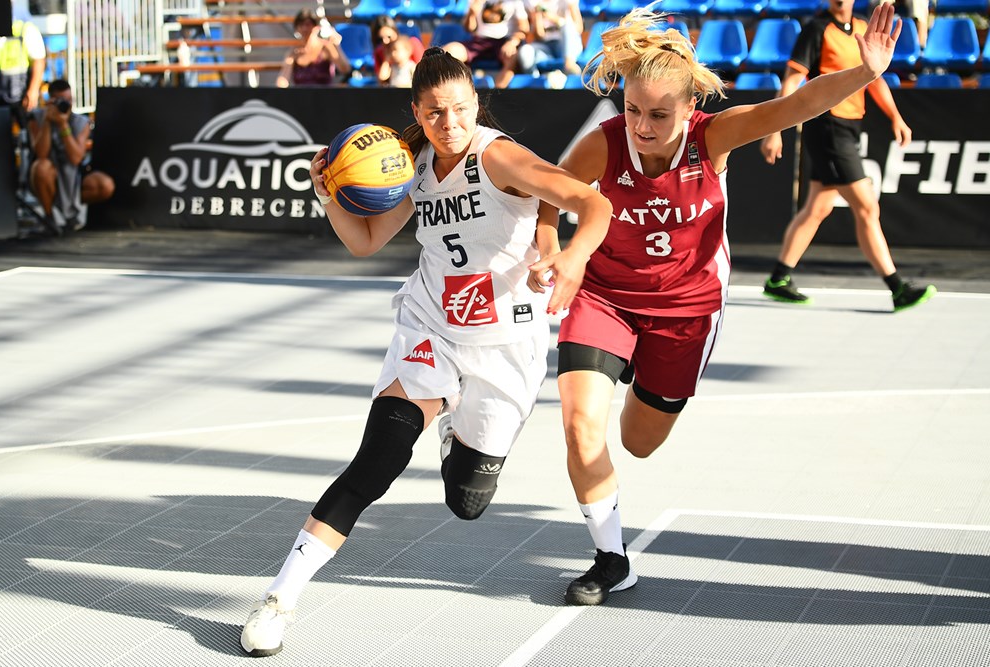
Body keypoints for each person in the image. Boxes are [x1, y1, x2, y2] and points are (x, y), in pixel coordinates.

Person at [239, 46, 612, 657]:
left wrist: (569, 257)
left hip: (504, 345)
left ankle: (457, 433)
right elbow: (364, 242)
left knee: (467, 501)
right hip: (431, 327)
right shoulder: (406, 163)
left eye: (461, 110)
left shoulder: (499, 156)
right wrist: (327, 189)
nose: (450, 124)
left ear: (475, 106)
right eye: (436, 113)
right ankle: (279, 601)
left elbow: (593, 203)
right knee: (378, 458)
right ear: (417, 109)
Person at [531, 3, 909, 606]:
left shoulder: (714, 136)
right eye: (632, 110)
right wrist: (553, 249)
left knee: (638, 443)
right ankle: (610, 557)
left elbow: (792, 107)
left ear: (689, 108)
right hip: (605, 298)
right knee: (580, 427)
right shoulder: (603, 147)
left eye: (658, 115)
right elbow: (547, 194)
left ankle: (634, 375)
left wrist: (863, 73)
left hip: (686, 310)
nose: (642, 127)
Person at [760, 0, 935, 312]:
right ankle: (897, 288)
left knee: (817, 207)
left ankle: (778, 279)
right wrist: (774, 129)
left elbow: (874, 76)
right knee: (867, 206)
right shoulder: (816, 29)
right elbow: (791, 80)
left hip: (851, 124)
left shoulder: (862, 28)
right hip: (827, 125)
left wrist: (895, 116)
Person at [27, 79, 114, 232]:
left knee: (105, 185)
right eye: (61, 101)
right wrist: (48, 121)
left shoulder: (81, 122)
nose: (66, 105)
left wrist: (63, 125)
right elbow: (41, 153)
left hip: (74, 177)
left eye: (68, 100)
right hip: (48, 179)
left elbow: (76, 158)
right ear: (51, 100)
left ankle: (71, 214)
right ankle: (50, 218)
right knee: (41, 167)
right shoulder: (37, 118)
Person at [443, 0, 530, 88]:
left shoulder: (515, 2)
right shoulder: (475, 1)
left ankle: (498, 93)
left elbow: (524, 28)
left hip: (504, 42)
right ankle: (462, 90)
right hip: (478, 41)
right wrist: (471, 13)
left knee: (512, 56)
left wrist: (513, 42)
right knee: (448, 52)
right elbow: (469, 28)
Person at [0, 0, 46, 114]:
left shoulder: (25, 29)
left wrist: (33, 90)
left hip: (20, 94)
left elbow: (39, 60)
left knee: (24, 129)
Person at [276, 9, 351, 88]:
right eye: (301, 25)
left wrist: (336, 45)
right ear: (297, 28)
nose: (305, 28)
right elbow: (283, 78)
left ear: (316, 27)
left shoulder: (325, 47)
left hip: (324, 96)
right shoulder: (294, 52)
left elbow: (345, 69)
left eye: (308, 24)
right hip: (301, 96)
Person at [518, 0, 583, 76]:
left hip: (568, 46)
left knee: (567, 27)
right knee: (525, 51)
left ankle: (570, 70)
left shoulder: (568, 2)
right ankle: (536, 81)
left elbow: (579, 28)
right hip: (546, 48)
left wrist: (555, 19)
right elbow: (540, 36)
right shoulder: (534, 3)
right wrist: (537, 16)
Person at [370, 15, 423, 86]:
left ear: (395, 32)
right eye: (380, 39)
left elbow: (422, 73)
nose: (385, 41)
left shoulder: (412, 44)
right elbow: (382, 79)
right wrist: (387, 59)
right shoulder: (379, 52)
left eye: (389, 37)